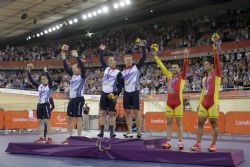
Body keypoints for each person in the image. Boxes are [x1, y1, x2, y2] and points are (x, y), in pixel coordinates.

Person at [152, 44, 189, 150]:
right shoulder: (169, 75)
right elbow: (162, 65)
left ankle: (180, 142)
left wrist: (186, 57)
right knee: (168, 123)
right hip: (169, 103)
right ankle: (168, 142)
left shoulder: (182, 76)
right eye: (172, 67)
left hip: (178, 103)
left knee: (179, 123)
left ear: (179, 69)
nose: (173, 69)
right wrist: (155, 56)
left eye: (175, 67)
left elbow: (185, 67)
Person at [191, 33, 222, 152]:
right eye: (203, 64)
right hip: (204, 103)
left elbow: (217, 62)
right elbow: (204, 92)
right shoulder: (205, 78)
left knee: (214, 125)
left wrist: (215, 50)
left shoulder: (217, 74)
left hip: (213, 103)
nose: (204, 65)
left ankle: (213, 144)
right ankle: (198, 143)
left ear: (212, 66)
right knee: (200, 124)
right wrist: (199, 104)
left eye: (206, 64)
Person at [61, 45, 86, 145]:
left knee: (78, 117)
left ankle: (79, 137)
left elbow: (83, 67)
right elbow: (66, 69)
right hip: (72, 99)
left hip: (79, 99)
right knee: (69, 118)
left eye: (74, 68)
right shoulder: (73, 76)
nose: (73, 69)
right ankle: (70, 137)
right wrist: (63, 58)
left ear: (79, 69)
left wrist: (77, 57)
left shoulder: (82, 75)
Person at [122, 38, 146, 138]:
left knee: (136, 112)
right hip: (126, 93)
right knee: (127, 113)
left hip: (135, 92)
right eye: (126, 60)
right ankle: (130, 132)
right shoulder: (122, 72)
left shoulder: (136, 68)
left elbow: (144, 57)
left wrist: (143, 47)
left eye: (130, 60)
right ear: (124, 61)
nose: (128, 61)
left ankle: (139, 132)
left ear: (132, 61)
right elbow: (120, 84)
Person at [97, 44, 123, 138]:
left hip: (112, 94)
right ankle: (102, 131)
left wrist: (117, 95)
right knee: (102, 113)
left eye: (111, 60)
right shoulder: (106, 68)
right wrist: (101, 50)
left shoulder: (118, 73)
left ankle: (112, 131)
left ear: (115, 62)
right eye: (109, 60)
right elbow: (101, 59)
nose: (109, 61)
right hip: (104, 94)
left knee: (111, 113)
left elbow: (120, 85)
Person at [27, 65, 53, 144]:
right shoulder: (39, 86)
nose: (43, 80)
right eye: (42, 79)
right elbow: (31, 80)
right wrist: (28, 72)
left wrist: (46, 72)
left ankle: (49, 138)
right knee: (39, 122)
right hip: (39, 105)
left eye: (44, 79)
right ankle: (41, 138)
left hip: (46, 105)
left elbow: (51, 79)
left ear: (47, 80)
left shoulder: (49, 86)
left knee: (47, 122)